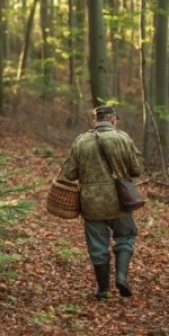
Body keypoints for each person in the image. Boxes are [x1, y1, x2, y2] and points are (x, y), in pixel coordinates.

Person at [62, 105, 144, 300]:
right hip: (120, 202)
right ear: (113, 119)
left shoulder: (81, 141)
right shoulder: (123, 138)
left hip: (91, 203)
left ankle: (103, 290)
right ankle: (122, 277)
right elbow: (137, 169)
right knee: (125, 236)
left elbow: (69, 174)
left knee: (98, 247)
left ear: (95, 121)